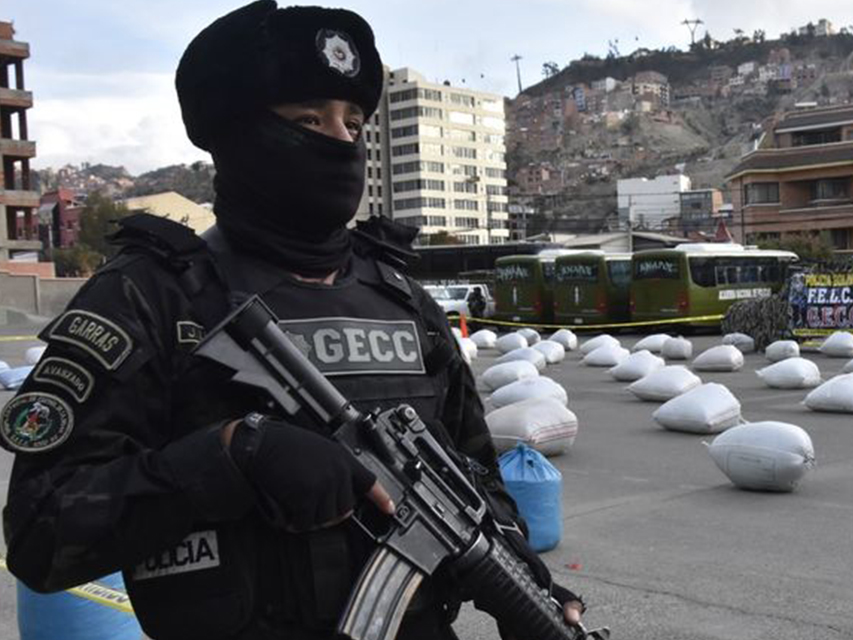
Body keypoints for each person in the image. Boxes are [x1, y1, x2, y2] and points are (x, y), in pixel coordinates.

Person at [1, 2, 588, 639]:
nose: (341, 139)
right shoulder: (151, 296)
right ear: (235, 135)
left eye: (354, 121)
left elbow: (474, 471)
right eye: (310, 118)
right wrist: (227, 458)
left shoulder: (401, 298)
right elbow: (41, 532)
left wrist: (521, 576)